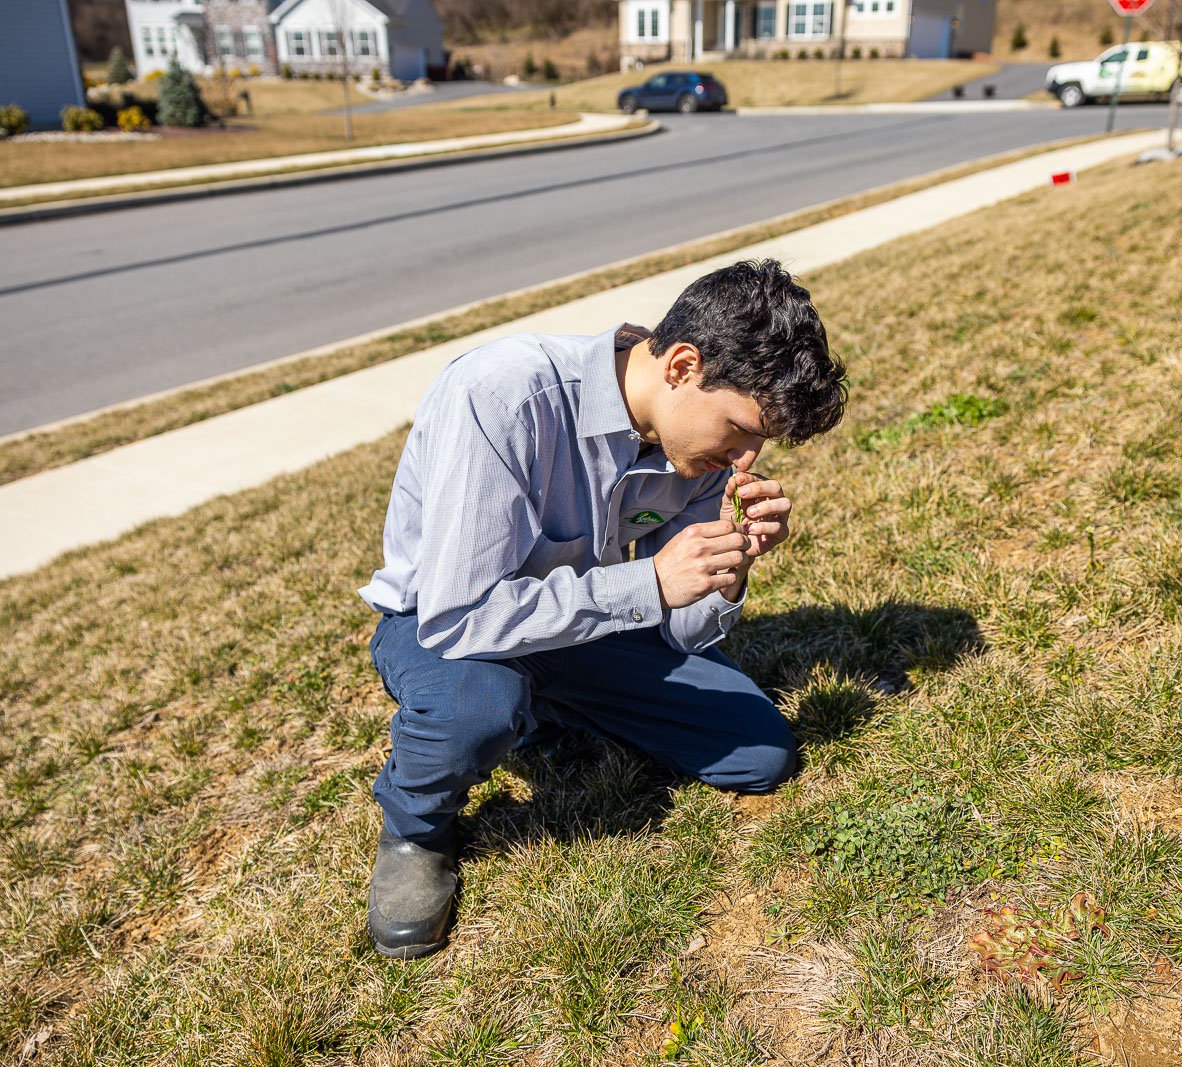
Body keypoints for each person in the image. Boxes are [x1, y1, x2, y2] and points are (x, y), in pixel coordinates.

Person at [357, 259, 848, 958]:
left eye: (758, 444)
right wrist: (648, 583)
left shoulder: (696, 454)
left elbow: (681, 629)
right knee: (479, 702)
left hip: (575, 622)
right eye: (739, 429)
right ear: (681, 364)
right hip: (442, 624)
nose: (746, 459)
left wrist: (727, 573)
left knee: (760, 751)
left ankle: (545, 705)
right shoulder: (504, 394)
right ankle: (415, 827)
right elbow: (462, 613)